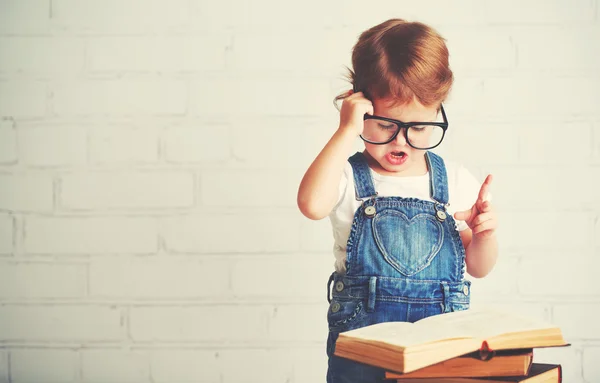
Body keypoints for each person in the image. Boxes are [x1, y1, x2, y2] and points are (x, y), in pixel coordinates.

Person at [296, 19, 499, 382]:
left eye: (419, 127)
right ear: (359, 107)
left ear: (438, 112)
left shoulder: (453, 181)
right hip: (362, 351)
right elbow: (311, 205)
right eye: (386, 125)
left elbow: (478, 267)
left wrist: (483, 236)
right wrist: (346, 131)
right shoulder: (345, 177)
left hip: (439, 352)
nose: (401, 141)